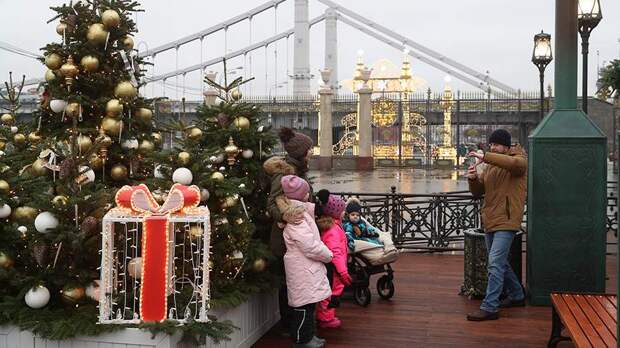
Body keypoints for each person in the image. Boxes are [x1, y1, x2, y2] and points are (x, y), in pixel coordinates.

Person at [466, 129, 527, 321]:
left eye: (496, 145)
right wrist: (473, 178)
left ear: (507, 146)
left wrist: (486, 156)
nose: (493, 147)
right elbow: (478, 192)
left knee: (495, 263)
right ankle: (517, 295)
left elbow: (514, 165)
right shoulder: (491, 166)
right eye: (491, 145)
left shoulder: (519, 160)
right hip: (490, 219)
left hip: (507, 220)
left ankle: (490, 306)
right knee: (500, 263)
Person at [263, 127, 314, 331]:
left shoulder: (299, 170)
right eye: (309, 149)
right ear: (301, 152)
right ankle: (289, 325)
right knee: (288, 282)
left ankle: (300, 324)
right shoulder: (285, 173)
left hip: (298, 234)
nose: (312, 151)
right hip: (285, 237)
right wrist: (286, 216)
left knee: (298, 279)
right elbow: (271, 203)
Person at [276, 175, 331, 348]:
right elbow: (309, 246)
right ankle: (301, 340)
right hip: (302, 268)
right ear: (303, 195)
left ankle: (309, 336)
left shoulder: (300, 213)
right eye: (307, 192)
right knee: (303, 307)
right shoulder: (297, 219)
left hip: (306, 267)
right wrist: (327, 254)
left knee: (308, 304)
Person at [315, 190, 351, 329]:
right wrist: (343, 271)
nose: (344, 213)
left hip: (333, 266)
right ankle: (325, 319)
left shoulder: (332, 226)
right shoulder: (333, 230)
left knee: (331, 291)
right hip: (334, 268)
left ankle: (326, 316)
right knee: (331, 292)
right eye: (342, 210)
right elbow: (335, 253)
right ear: (335, 212)